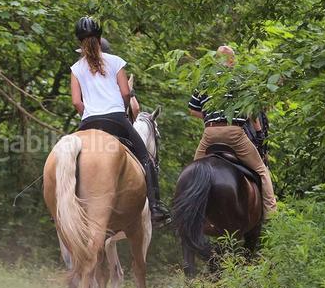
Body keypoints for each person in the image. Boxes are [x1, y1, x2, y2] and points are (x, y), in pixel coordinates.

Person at [70, 16, 170, 224]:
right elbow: (126, 92)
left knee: (69, 156)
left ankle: (62, 203)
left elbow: (77, 103)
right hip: (116, 119)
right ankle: (155, 207)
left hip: (89, 121)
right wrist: (121, 110)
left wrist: (87, 116)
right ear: (99, 38)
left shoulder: (76, 68)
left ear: (79, 41)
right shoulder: (115, 61)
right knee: (146, 157)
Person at [188, 45, 277, 216]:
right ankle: (272, 215)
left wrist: (209, 117)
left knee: (193, 172)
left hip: (210, 134)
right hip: (235, 134)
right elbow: (252, 113)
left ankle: (189, 213)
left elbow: (192, 109)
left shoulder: (206, 81)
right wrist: (259, 134)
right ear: (232, 61)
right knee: (261, 171)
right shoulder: (241, 80)